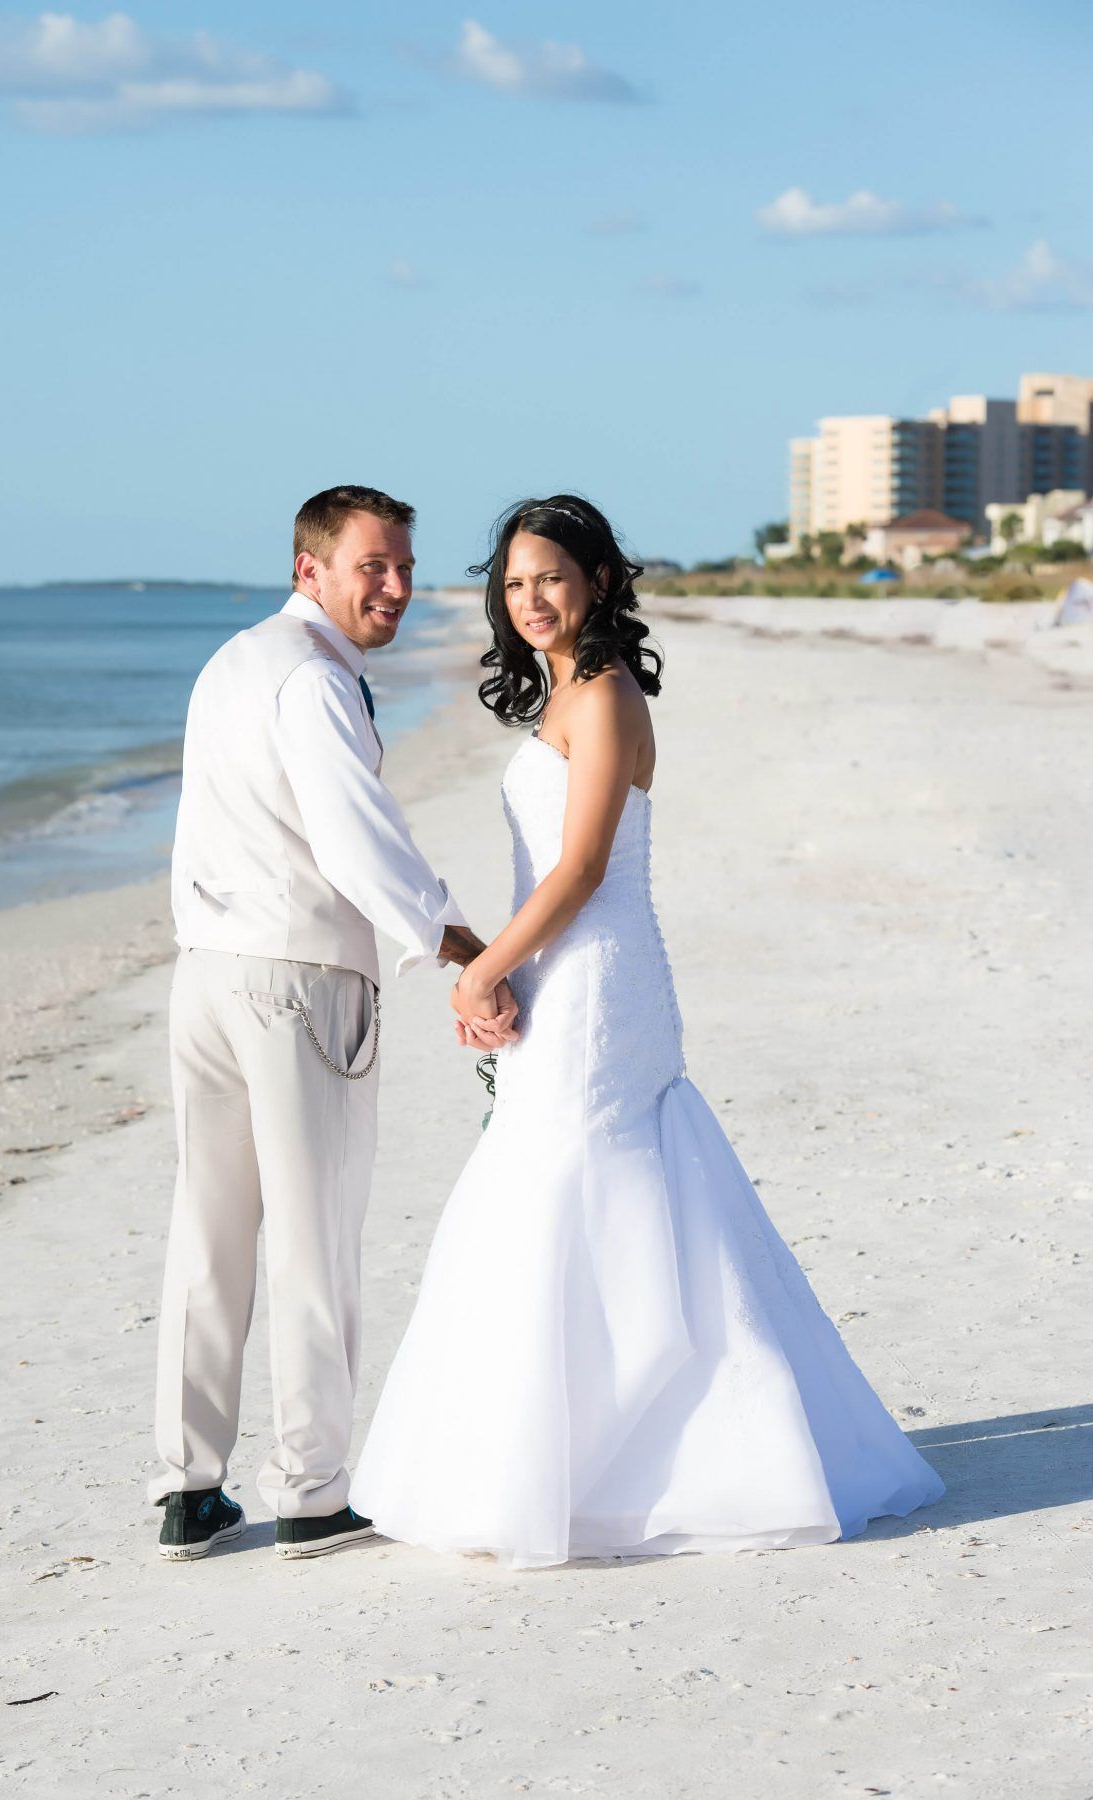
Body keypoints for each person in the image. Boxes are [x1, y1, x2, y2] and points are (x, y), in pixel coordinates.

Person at [351, 494, 945, 1567]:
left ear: (601, 585)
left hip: (599, 978)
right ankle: (568, 1456)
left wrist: (481, 965)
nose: (530, 600)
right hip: (561, 966)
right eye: (515, 582)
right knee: (557, 1185)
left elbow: (580, 870)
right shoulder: (563, 693)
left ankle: (632, 1461)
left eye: (552, 579)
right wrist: (501, 968)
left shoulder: (607, 694)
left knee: (575, 1179)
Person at [147, 484, 516, 1562]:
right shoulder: (313, 682)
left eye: (405, 566)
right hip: (298, 985)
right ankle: (310, 1493)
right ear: (311, 568)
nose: (398, 587)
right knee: (314, 1241)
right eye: (374, 567)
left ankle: (186, 1488)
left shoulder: (234, 660)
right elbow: (360, 847)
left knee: (206, 1237)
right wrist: (467, 950)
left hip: (205, 976)